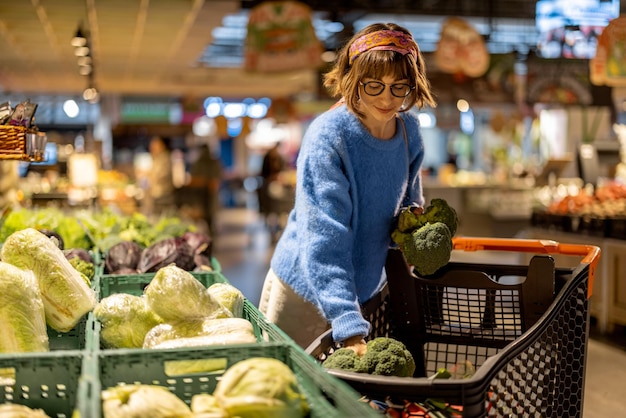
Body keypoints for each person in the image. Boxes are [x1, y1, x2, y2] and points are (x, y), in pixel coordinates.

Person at [258, 23, 436, 352]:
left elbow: (410, 205)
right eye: (374, 85)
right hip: (304, 291)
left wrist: (418, 231)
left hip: (363, 294)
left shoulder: (409, 130)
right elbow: (325, 237)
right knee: (294, 390)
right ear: (352, 80)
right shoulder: (329, 136)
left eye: (399, 87)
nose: (386, 98)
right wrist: (348, 322)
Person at [188, 143, 223, 238]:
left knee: (210, 221)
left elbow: (214, 183)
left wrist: (203, 182)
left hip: (210, 197)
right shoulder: (198, 163)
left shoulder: (213, 163)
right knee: (200, 225)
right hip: (199, 198)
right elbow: (193, 180)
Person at [147, 136, 175, 216]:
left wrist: (148, 174)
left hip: (163, 195)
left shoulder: (165, 158)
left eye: (155, 146)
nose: (152, 148)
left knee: (162, 217)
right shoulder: (156, 158)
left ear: (162, 146)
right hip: (156, 194)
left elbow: (158, 176)